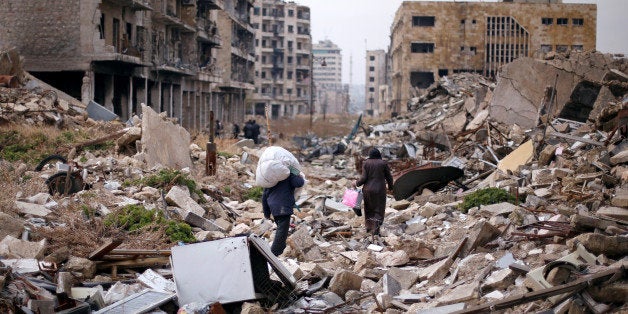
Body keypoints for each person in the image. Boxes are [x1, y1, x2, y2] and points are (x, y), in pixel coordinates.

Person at [262, 169, 305, 256]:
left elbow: (264, 196)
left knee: (281, 228)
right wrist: (297, 175)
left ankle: (281, 248)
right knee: (282, 230)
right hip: (283, 205)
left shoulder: (271, 178)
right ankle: (274, 253)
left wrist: (266, 212)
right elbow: (299, 183)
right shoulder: (289, 175)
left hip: (273, 206)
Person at [354, 148, 393, 236]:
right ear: (379, 155)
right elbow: (389, 177)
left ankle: (369, 227)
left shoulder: (366, 163)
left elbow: (363, 178)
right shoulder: (383, 163)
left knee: (368, 208)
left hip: (367, 190)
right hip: (379, 190)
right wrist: (391, 187)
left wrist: (356, 183)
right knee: (378, 209)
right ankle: (376, 229)